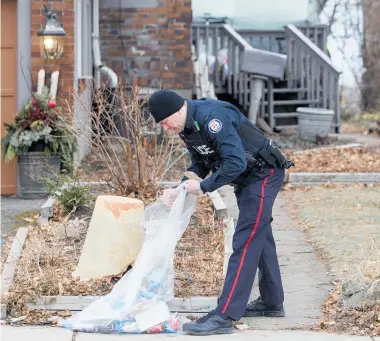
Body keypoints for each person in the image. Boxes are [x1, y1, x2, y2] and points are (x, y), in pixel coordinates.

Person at [148, 89, 294, 336]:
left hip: (263, 174)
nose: (166, 127)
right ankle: (271, 302)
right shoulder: (188, 128)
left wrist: (204, 187)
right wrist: (179, 187)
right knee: (260, 235)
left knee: (245, 240)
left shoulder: (213, 118)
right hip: (247, 177)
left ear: (177, 110)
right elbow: (200, 163)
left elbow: (235, 161)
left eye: (165, 121)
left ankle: (225, 315)